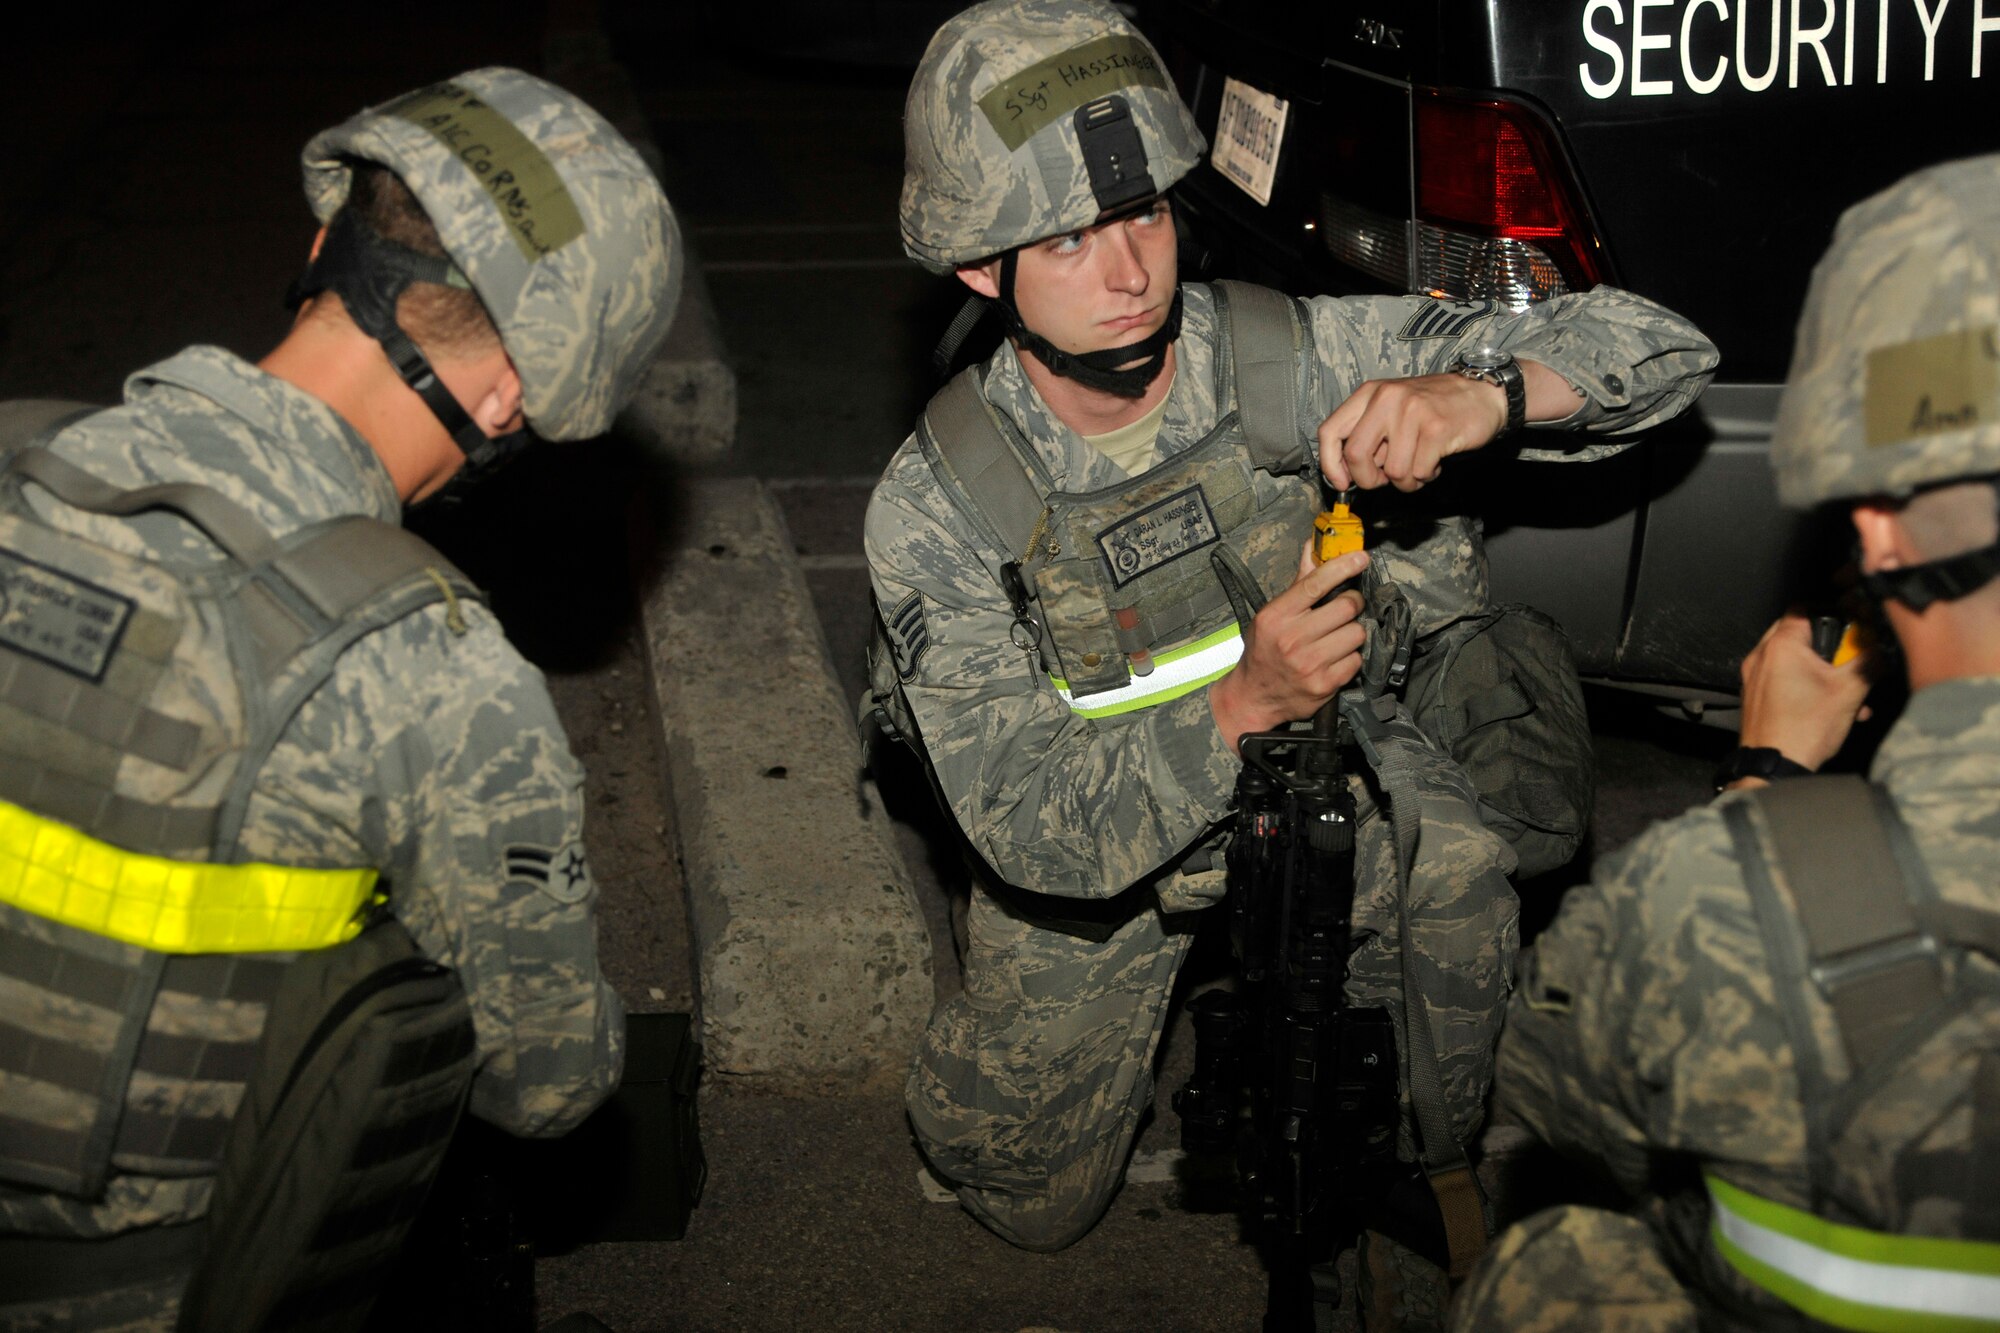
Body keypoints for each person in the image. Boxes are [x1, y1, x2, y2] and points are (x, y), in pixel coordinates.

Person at [864, 0, 1719, 1290]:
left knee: (1452, 877)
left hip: (1328, 789)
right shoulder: (939, 503)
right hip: (1101, 854)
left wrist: (1476, 394)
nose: (1129, 271)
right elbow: (1032, 823)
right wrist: (1242, 703)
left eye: (1144, 212)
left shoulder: (1281, 353)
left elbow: (1664, 348)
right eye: (1067, 240)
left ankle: (1421, 1123)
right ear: (983, 270)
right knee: (1024, 1199)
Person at [0, 69, 681, 1330]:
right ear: (507, 401)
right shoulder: (431, 669)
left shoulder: (18, 456)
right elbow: (548, 1081)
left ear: (321, 244)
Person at [1448, 153, 2000, 1331]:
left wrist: (1766, 794)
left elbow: (1551, 1086)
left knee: (1553, 1262)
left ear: (1875, 528)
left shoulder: (1723, 898)